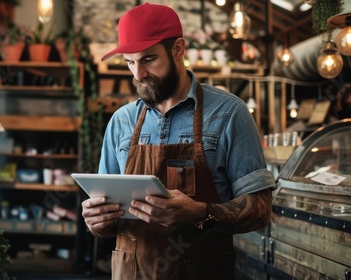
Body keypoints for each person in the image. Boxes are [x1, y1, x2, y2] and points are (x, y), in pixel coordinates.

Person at [81, 3, 276, 280]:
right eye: (129, 62)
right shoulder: (121, 122)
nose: (138, 74)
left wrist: (200, 213)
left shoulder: (228, 113)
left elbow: (261, 210)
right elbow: (107, 220)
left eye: (148, 59)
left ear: (178, 49)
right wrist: (96, 221)